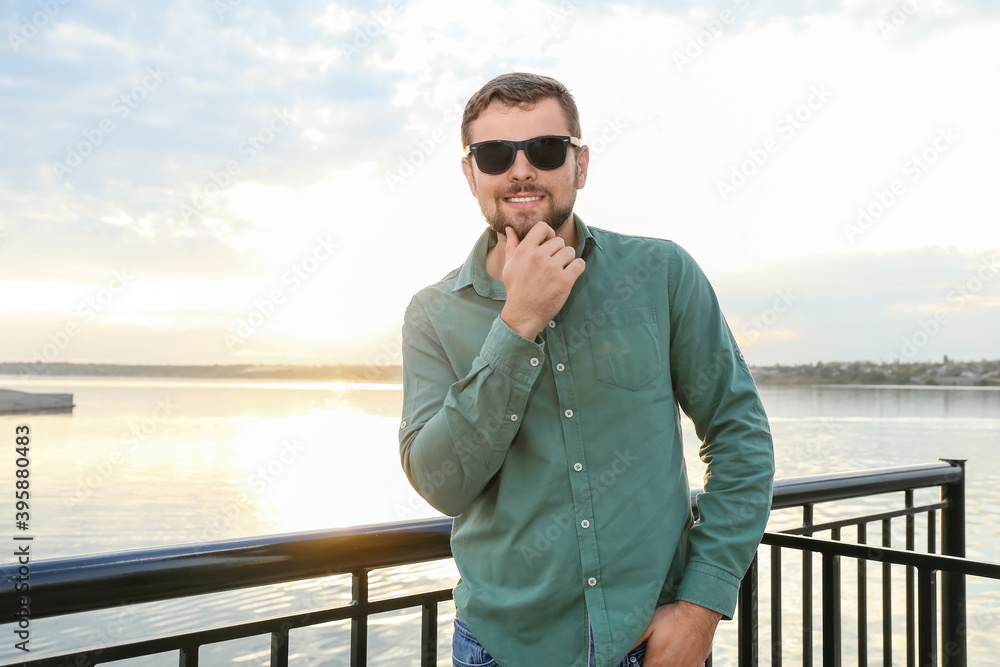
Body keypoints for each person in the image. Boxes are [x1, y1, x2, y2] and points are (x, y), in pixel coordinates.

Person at [398, 72, 774, 667]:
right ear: (471, 173)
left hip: (653, 640)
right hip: (502, 649)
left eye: (545, 149)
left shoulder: (662, 273)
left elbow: (740, 435)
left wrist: (703, 604)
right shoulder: (433, 313)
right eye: (496, 154)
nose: (521, 169)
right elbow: (441, 483)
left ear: (581, 163)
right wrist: (518, 323)